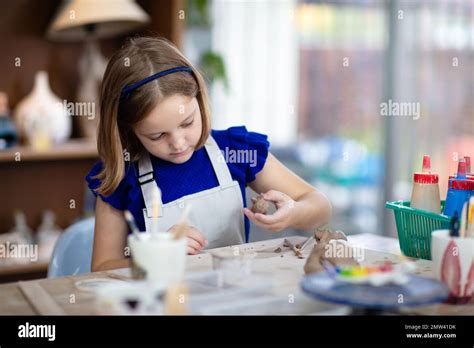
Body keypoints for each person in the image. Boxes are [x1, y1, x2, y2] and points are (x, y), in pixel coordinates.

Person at [86, 36, 332, 272]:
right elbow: (101, 267)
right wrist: (158, 255)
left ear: (200, 100)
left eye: (187, 123)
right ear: (130, 131)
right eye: (157, 136)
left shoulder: (234, 150)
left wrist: (293, 212)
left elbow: (319, 206)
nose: (178, 143)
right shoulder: (121, 177)